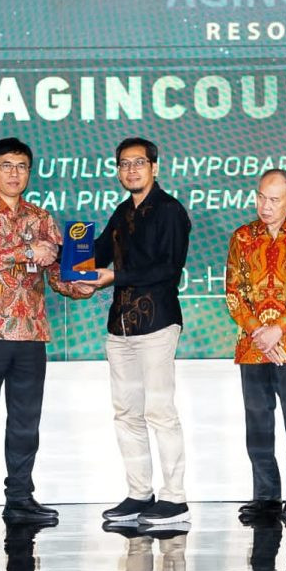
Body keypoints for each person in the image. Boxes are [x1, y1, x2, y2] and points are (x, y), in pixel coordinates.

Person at [0, 137, 91, 528]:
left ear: (29, 172)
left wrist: (81, 284)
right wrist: (28, 251)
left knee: (25, 422)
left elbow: (58, 275)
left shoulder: (42, 218)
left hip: (31, 335)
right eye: (6, 165)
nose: (14, 173)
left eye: (21, 166)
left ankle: (19, 497)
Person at [86, 137, 193, 526]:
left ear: (154, 167)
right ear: (118, 171)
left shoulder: (170, 211)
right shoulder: (121, 212)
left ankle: (175, 499)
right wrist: (62, 257)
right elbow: (97, 253)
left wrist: (114, 276)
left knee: (160, 411)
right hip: (121, 327)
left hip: (157, 324)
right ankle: (139, 494)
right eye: (124, 164)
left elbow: (168, 269)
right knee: (127, 414)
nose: (131, 170)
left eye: (139, 163)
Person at [225, 169, 286, 523]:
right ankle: (265, 497)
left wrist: (278, 330)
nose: (265, 206)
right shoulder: (242, 237)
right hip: (252, 346)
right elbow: (233, 294)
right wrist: (259, 332)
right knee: (258, 424)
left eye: (274, 200)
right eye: (261, 197)